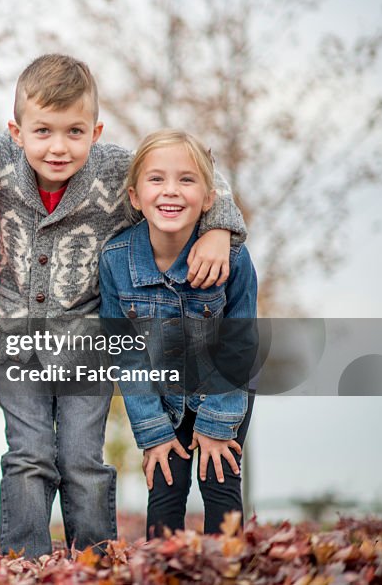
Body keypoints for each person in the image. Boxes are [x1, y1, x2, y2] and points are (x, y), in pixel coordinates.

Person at [0, 54, 247, 557]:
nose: (58, 147)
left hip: (89, 343)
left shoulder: (117, 169)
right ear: (16, 131)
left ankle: (95, 559)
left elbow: (196, 170)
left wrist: (220, 228)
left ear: (96, 130)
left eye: (75, 131)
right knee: (28, 457)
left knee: (82, 458)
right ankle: (23, 561)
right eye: (43, 132)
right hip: (16, 339)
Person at [99, 130, 258, 538]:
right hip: (160, 391)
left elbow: (240, 343)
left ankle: (228, 570)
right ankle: (161, 570)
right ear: (135, 197)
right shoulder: (116, 261)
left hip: (224, 386)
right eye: (157, 179)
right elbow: (127, 356)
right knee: (166, 488)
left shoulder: (234, 259)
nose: (171, 191)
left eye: (186, 179)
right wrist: (152, 432)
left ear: (209, 198)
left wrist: (217, 423)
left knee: (220, 480)